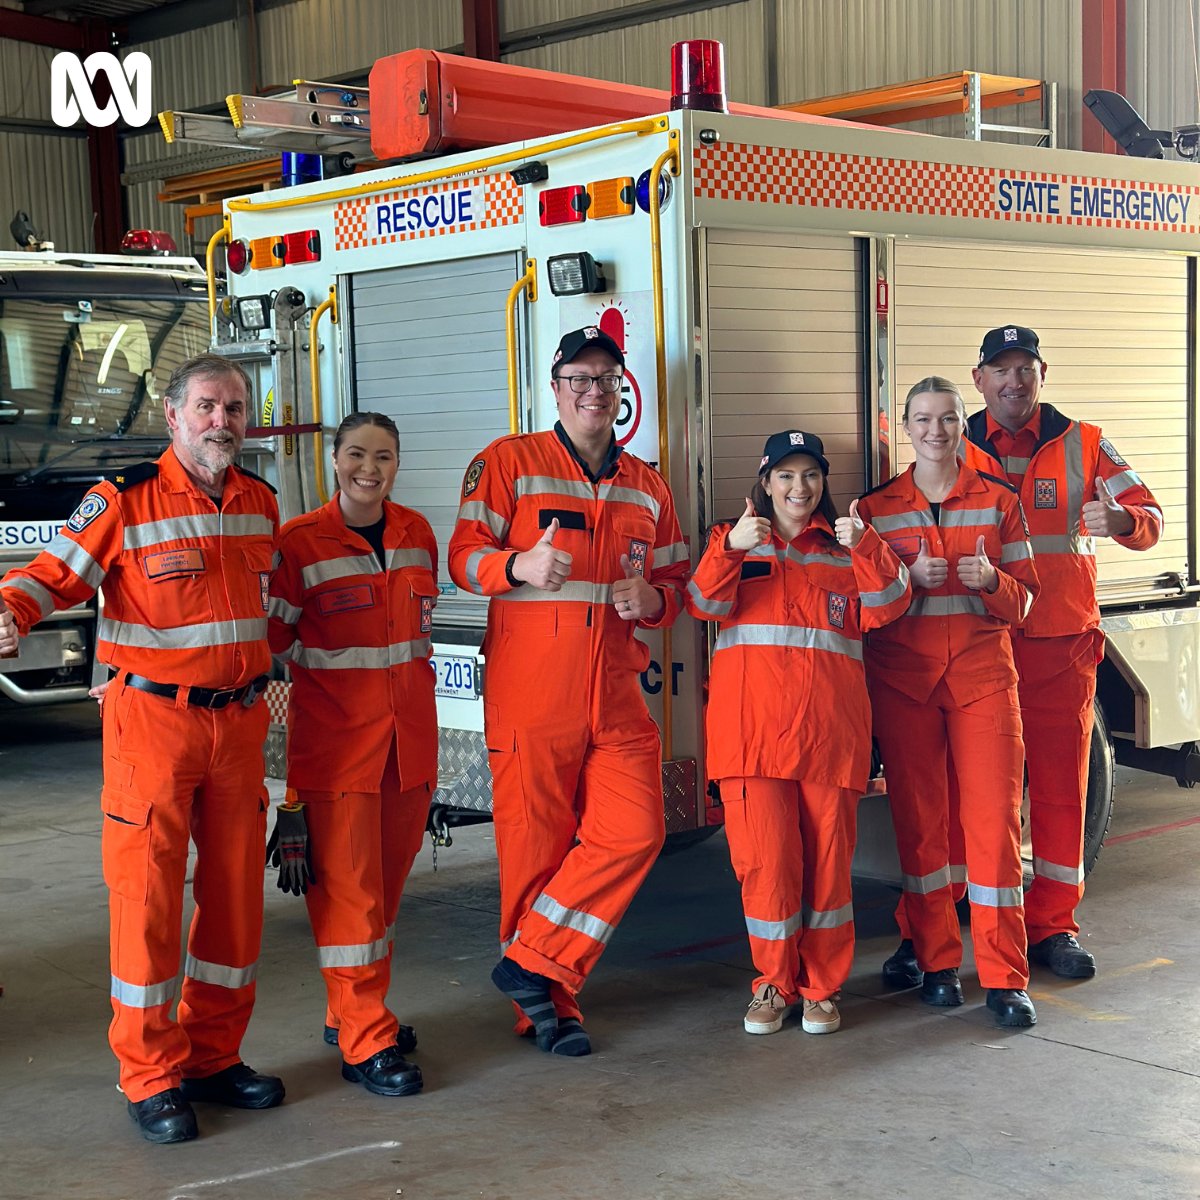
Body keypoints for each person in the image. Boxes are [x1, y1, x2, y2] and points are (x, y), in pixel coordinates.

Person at [0, 354, 283, 1143]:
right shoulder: (123, 499)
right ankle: (152, 1073)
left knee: (234, 900)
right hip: (153, 726)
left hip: (239, 727)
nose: (221, 421)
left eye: (232, 408)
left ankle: (214, 1057)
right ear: (173, 414)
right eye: (206, 407)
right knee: (149, 902)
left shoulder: (260, 504)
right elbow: (53, 574)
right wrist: (11, 612)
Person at [447, 326, 689, 1056]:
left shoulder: (648, 486)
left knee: (637, 831)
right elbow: (462, 557)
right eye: (577, 377)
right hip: (532, 696)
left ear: (623, 390)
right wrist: (516, 567)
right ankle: (548, 1010)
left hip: (615, 696)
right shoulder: (507, 463)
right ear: (554, 388)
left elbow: (675, 587)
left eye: (605, 377)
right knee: (536, 854)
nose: (592, 389)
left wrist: (651, 600)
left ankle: (529, 963)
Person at [685, 431, 910, 1035]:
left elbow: (890, 604)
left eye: (810, 475)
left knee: (829, 874)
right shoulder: (730, 545)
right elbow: (702, 604)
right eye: (785, 476)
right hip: (750, 741)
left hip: (827, 739)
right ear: (764, 483)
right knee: (766, 869)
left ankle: (821, 990)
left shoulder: (843, 551)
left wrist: (867, 546)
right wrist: (730, 549)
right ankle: (771, 985)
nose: (799, 488)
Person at [962, 326, 1162, 979]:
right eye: (1002, 369)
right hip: (981, 649)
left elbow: (1148, 513)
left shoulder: (1087, 444)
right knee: (977, 794)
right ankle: (980, 918)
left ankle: (1054, 927)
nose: (1014, 381)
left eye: (1025, 369)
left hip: (1058, 648)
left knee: (1058, 795)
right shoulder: (951, 448)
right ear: (980, 379)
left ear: (1042, 374)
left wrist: (1124, 522)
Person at [857, 377, 1041, 1028]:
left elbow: (1026, 602)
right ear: (905, 427)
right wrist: (905, 581)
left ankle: (1003, 976)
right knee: (921, 828)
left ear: (966, 424)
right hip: (904, 683)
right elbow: (863, 611)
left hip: (983, 677)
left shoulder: (998, 501)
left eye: (948, 418)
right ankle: (937, 963)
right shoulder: (875, 509)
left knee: (994, 830)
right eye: (923, 419)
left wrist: (992, 581)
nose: (936, 429)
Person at [267, 412, 434, 1098]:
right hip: (337, 755)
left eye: (385, 456)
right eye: (358, 454)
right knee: (351, 904)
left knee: (384, 899)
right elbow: (265, 643)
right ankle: (367, 1041)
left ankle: (350, 1012)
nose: (371, 467)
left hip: (408, 750)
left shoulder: (417, 533)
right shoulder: (298, 544)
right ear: (335, 461)